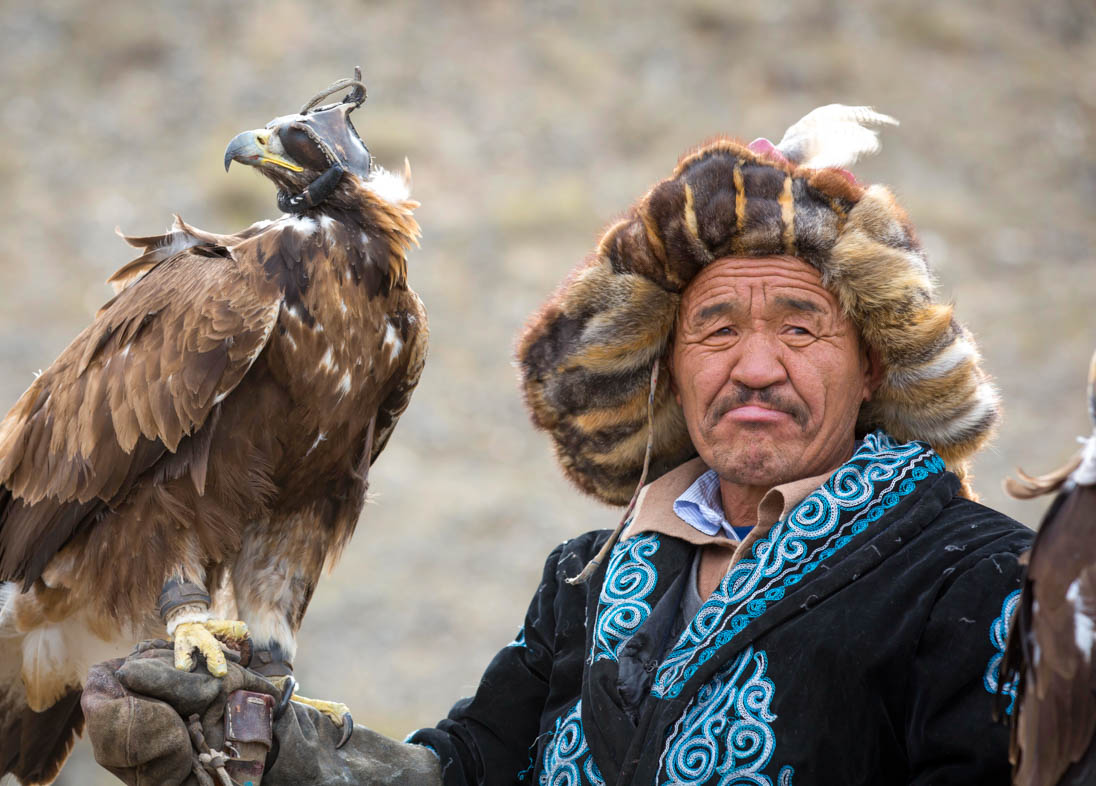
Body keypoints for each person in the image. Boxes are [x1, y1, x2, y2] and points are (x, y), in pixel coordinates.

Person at [82, 107, 1033, 785]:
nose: (754, 367)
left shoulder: (981, 581)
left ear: (873, 365)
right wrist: (276, 760)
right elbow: (466, 772)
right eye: (714, 329)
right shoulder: (588, 580)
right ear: (665, 367)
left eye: (799, 326)